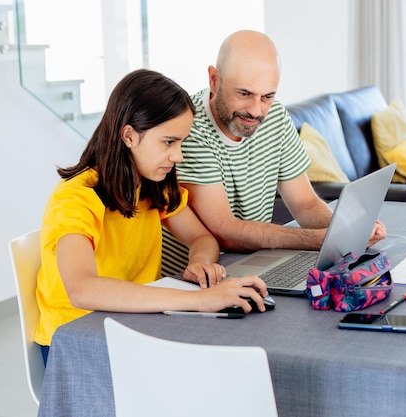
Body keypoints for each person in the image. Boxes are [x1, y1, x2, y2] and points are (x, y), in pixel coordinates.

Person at [35, 69, 268, 363]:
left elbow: (201, 237)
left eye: (181, 142)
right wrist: (198, 300)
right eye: (169, 142)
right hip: (77, 338)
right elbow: (82, 289)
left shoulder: (149, 185)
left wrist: (200, 262)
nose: (178, 155)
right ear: (129, 136)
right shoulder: (75, 197)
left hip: (134, 323)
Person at [162, 30, 386, 275]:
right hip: (192, 278)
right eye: (244, 94)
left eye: (267, 96)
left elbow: (306, 204)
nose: (256, 111)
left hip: (252, 267)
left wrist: (346, 230)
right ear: (214, 80)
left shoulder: (276, 117)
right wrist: (320, 240)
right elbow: (224, 232)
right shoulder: (189, 128)